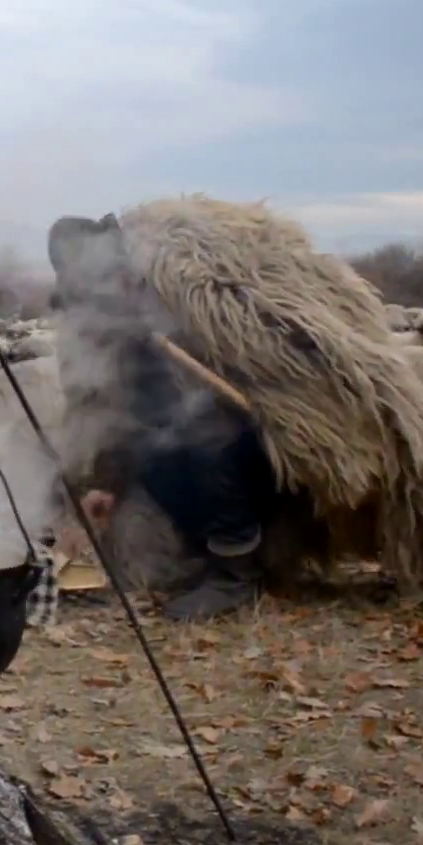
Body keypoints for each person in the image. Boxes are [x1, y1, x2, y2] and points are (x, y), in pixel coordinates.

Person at [46, 214, 275, 621]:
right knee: (152, 453)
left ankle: (237, 570)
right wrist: (107, 484)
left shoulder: (165, 289)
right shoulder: (93, 318)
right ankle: (205, 550)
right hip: (170, 423)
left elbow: (207, 378)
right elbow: (114, 408)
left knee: (205, 435)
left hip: (237, 424)